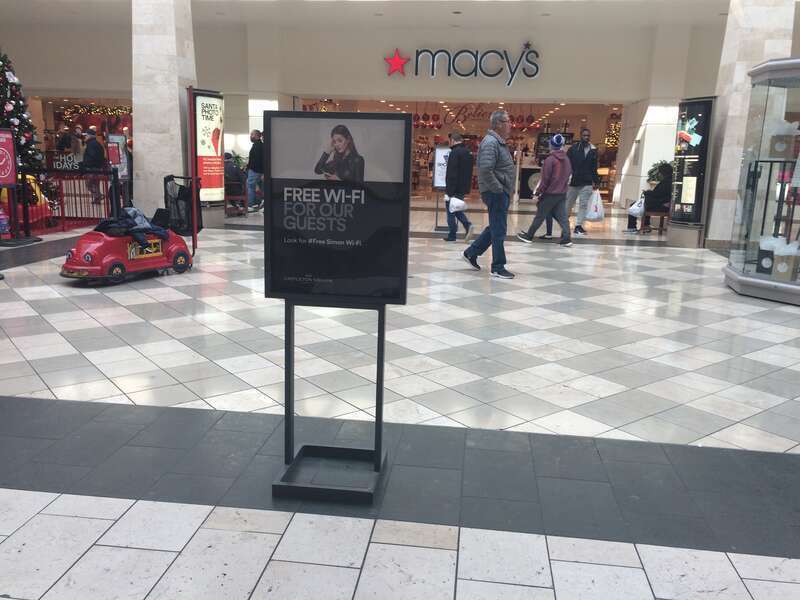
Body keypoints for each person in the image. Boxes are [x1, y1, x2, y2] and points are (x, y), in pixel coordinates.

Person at [462, 110, 516, 279]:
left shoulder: (498, 142)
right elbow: (485, 170)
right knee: (499, 229)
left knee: (495, 226)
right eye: (507, 121)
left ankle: (471, 252)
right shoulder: (491, 142)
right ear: (498, 124)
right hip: (496, 192)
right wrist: (498, 188)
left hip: (499, 191)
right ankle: (497, 266)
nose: (510, 125)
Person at [517, 134, 573, 248]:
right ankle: (567, 238)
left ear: (551, 145)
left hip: (550, 193)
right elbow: (569, 176)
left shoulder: (550, 160)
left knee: (540, 215)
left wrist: (538, 193)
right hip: (562, 193)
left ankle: (529, 235)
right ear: (562, 145)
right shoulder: (567, 160)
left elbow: (545, 179)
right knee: (562, 217)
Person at [566, 128, 600, 237]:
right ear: (581, 136)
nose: (587, 137)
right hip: (574, 181)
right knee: (569, 204)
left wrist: (596, 181)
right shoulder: (573, 149)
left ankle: (578, 225)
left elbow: (594, 167)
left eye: (588, 136)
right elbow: (567, 164)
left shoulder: (593, 150)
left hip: (587, 182)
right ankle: (564, 222)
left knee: (583, 205)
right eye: (585, 135)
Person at [625, 162, 674, 234]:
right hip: (662, 204)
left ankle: (632, 227)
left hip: (661, 206)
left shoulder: (666, 183)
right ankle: (646, 225)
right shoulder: (670, 181)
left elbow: (657, 194)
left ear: (662, 173)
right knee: (646, 204)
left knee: (634, 206)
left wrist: (647, 192)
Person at [443, 132, 474, 242]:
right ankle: (467, 226)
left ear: (453, 140)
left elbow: (452, 173)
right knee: (456, 209)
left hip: (453, 188)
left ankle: (453, 234)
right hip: (463, 187)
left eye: (450, 141)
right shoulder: (468, 152)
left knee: (451, 211)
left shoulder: (454, 153)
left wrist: (449, 191)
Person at [80, 129, 107, 205]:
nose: (85, 137)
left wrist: (86, 163)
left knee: (89, 184)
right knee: (95, 184)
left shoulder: (91, 144)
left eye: (86, 135)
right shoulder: (97, 143)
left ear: (89, 136)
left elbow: (92, 156)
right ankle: (97, 199)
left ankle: (99, 195)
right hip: (97, 167)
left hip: (92, 168)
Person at [246, 129, 264, 211]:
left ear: (257, 136)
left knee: (250, 186)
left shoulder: (256, 146)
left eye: (252, 134)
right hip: (259, 170)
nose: (250, 136)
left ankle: (250, 204)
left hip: (254, 170)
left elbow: (255, 160)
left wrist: (249, 167)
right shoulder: (261, 145)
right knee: (259, 187)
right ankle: (257, 203)